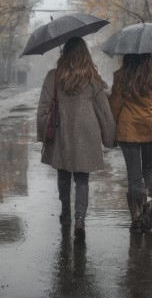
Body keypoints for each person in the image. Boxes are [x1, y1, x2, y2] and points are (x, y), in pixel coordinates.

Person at [36, 37, 115, 238]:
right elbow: (103, 111)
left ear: (64, 53)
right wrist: (110, 136)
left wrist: (44, 133)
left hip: (62, 130)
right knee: (82, 179)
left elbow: (43, 108)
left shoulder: (53, 77)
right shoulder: (92, 79)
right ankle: (80, 219)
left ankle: (66, 211)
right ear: (85, 54)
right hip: (86, 131)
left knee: (63, 174)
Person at [109, 53, 152, 234]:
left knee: (134, 177)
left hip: (128, 129)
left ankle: (137, 218)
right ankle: (150, 209)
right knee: (150, 170)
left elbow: (115, 106)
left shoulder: (121, 75)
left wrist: (111, 133)